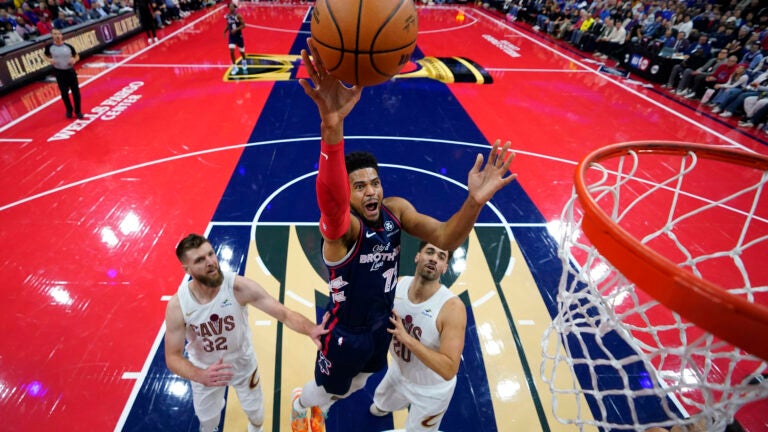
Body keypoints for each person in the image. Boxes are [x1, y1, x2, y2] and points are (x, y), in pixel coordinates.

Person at [289, 38, 516, 432]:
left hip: (381, 323)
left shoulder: (395, 210)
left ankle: (332, 394)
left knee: (361, 382)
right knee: (328, 390)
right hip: (344, 331)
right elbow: (331, 204)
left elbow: (444, 238)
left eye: (374, 183)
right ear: (348, 193)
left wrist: (474, 202)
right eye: (359, 186)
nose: (371, 191)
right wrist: (332, 128)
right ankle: (302, 403)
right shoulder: (344, 231)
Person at [164, 233, 329, 432]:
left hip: (243, 364)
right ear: (187, 269)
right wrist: (200, 375)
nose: (210, 262)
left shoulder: (238, 287)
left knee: (257, 415)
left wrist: (311, 329)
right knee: (207, 422)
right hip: (205, 371)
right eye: (200, 260)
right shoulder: (178, 306)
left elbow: (284, 313)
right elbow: (172, 356)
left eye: (211, 254)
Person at [368, 241, 466, 432]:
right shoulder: (399, 284)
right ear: (417, 256)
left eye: (441, 257)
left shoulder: (452, 308)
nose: (434, 259)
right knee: (379, 405)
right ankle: (385, 406)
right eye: (430, 252)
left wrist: (407, 340)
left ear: (445, 268)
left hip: (430, 391)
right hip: (398, 371)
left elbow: (449, 369)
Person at [44, 28, 83, 119]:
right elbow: (45, 55)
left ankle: (78, 111)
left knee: (76, 93)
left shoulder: (68, 46)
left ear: (61, 35)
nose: (57, 36)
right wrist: (49, 60)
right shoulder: (49, 47)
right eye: (54, 34)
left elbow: (77, 56)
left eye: (58, 34)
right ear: (52, 36)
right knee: (64, 93)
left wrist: (74, 60)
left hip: (70, 71)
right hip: (59, 72)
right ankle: (69, 110)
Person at [224, 2, 247, 75]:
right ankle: (235, 66)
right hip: (231, 36)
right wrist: (225, 31)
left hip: (238, 36)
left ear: (234, 7)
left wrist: (236, 29)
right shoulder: (227, 16)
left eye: (232, 6)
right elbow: (228, 24)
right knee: (231, 50)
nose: (231, 8)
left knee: (242, 51)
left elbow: (244, 25)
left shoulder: (238, 16)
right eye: (229, 7)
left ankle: (244, 60)